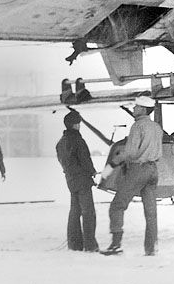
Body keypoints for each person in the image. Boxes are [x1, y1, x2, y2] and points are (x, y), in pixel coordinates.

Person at [103, 96, 163, 256]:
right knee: (151, 212)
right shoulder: (156, 127)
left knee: (117, 206)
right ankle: (151, 248)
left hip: (138, 169)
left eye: (136, 107)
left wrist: (112, 164)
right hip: (153, 170)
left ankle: (116, 246)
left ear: (143, 109)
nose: (134, 109)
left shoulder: (137, 126)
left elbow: (130, 153)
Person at [55, 111, 99, 252]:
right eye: (78, 123)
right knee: (88, 213)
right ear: (75, 124)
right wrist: (92, 171)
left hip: (71, 180)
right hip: (83, 181)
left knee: (75, 211)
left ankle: (74, 244)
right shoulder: (78, 140)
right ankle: (90, 245)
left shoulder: (61, 143)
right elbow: (85, 159)